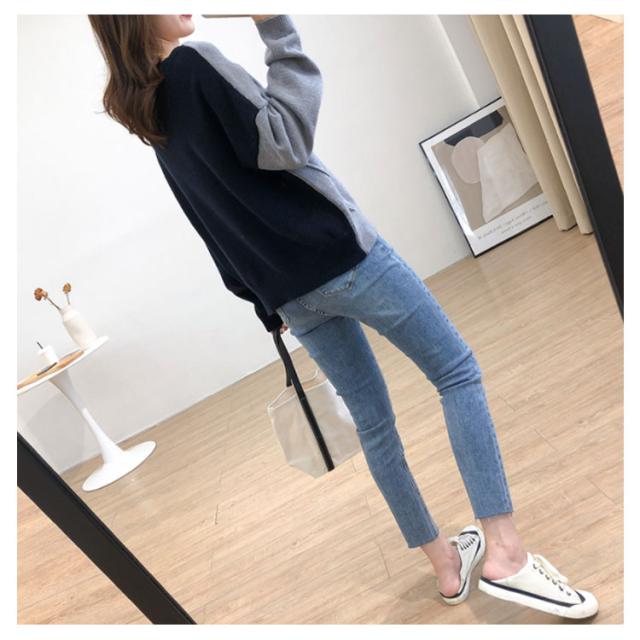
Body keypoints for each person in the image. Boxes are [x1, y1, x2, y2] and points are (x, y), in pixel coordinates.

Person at [87, 13, 598, 619]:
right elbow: (286, 141)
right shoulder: (196, 63)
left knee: (375, 425)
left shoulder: (146, 108)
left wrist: (262, 301)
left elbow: (205, 218)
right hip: (343, 257)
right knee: (456, 372)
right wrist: (275, 26)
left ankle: (445, 566)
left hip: (289, 293)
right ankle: (505, 555)